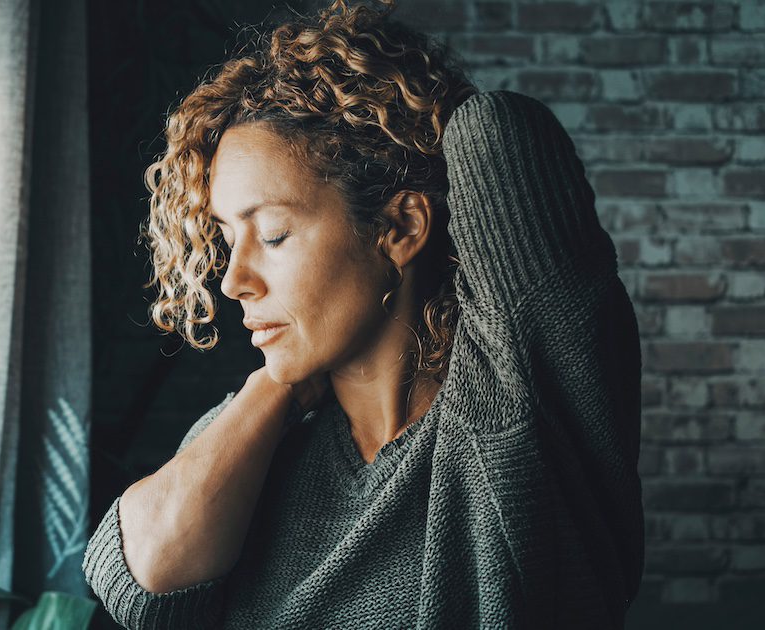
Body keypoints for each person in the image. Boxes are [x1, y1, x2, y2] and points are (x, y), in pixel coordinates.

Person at [83, 0, 645, 627]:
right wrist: (278, 385)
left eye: (271, 234)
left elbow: (495, 132)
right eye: (225, 237)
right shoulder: (262, 438)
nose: (234, 280)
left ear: (401, 226)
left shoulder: (511, 405)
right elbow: (141, 582)